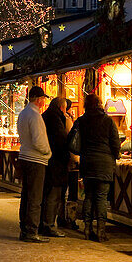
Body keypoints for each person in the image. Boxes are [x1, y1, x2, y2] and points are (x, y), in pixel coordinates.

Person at [70, 90, 120, 242]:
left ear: (85, 105)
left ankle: (87, 229)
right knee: (101, 198)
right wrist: (115, 155)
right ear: (99, 104)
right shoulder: (108, 121)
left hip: (87, 162)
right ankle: (101, 231)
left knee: (89, 196)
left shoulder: (81, 121)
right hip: (104, 163)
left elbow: (71, 139)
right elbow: (115, 143)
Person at [16, 86, 52, 243]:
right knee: (35, 197)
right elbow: (39, 140)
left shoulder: (23, 113)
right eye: (43, 99)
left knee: (26, 195)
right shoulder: (35, 116)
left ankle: (24, 228)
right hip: (35, 159)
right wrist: (47, 152)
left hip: (24, 156)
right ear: (39, 99)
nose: (44, 101)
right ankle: (31, 230)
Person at [40, 96, 74, 237]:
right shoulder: (56, 119)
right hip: (56, 163)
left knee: (48, 195)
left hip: (49, 161)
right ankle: (48, 225)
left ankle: (45, 223)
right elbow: (61, 140)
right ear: (62, 107)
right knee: (53, 195)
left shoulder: (46, 115)